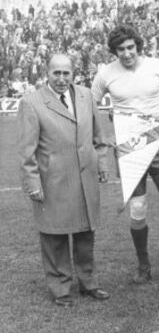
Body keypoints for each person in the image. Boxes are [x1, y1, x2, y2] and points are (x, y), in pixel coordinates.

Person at [91, 25, 159, 283]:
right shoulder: (105, 74)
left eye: (130, 47)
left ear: (138, 46)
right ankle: (144, 266)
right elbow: (89, 107)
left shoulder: (158, 66)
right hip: (128, 148)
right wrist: (106, 137)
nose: (126, 53)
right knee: (137, 208)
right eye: (120, 49)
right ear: (114, 51)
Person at [17, 53, 109, 307]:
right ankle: (61, 289)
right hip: (53, 181)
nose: (61, 78)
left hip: (85, 179)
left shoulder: (86, 95)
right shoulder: (32, 103)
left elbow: (100, 139)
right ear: (46, 73)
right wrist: (33, 184)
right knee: (54, 236)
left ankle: (88, 283)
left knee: (85, 233)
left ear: (73, 73)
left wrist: (101, 164)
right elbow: (26, 151)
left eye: (65, 73)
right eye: (55, 73)